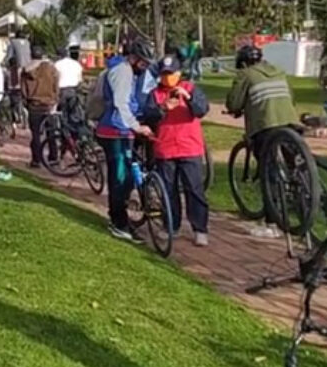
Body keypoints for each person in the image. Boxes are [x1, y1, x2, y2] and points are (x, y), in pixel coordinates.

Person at [225, 44, 298, 234]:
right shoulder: (279, 71)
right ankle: (303, 205)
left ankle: (272, 223)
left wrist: (235, 110)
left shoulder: (246, 75)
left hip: (265, 126)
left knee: (268, 171)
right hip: (290, 122)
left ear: (243, 62)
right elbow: (291, 97)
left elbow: (234, 102)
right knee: (295, 167)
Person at [142, 55, 210, 246]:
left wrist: (187, 98)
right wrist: (163, 108)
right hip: (165, 148)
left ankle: (200, 228)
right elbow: (148, 116)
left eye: (171, 74)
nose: (167, 78)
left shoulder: (191, 88)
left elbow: (201, 110)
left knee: (194, 189)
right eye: (164, 74)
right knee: (168, 190)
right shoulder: (154, 94)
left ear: (179, 74)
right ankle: (171, 225)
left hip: (190, 147)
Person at [95, 39, 157, 241]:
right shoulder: (123, 72)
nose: (145, 67)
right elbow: (121, 104)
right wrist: (137, 126)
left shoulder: (127, 70)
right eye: (143, 63)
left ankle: (120, 215)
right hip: (114, 131)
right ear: (134, 58)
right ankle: (118, 222)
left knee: (127, 177)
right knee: (120, 179)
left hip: (122, 130)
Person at [21, 45, 59, 168]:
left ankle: (36, 160)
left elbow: (23, 89)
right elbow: (56, 86)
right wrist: (54, 99)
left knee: (36, 134)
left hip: (34, 105)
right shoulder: (51, 69)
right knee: (51, 133)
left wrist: (26, 102)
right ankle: (53, 157)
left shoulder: (26, 70)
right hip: (49, 105)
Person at [54, 46, 84, 131]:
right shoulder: (76, 64)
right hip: (74, 90)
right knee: (73, 112)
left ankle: (64, 131)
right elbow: (80, 79)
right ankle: (74, 131)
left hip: (62, 90)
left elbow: (55, 79)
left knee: (63, 112)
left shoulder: (57, 64)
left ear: (58, 55)